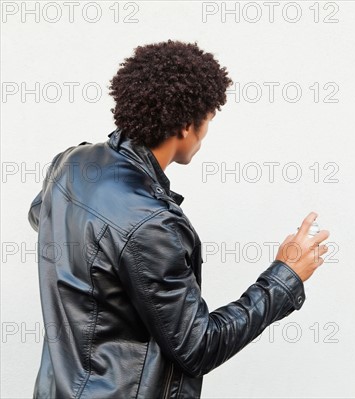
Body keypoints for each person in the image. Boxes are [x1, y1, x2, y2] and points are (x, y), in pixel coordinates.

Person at [27, 39, 330, 398]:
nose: (205, 134)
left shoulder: (72, 164)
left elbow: (41, 215)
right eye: (208, 120)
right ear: (187, 126)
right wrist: (285, 276)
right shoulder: (151, 225)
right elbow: (197, 347)